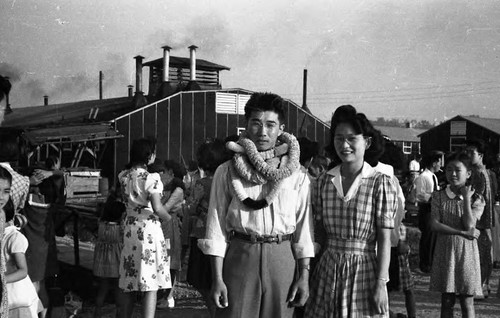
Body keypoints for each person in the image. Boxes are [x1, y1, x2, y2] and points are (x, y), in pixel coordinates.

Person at [198, 92, 314, 318]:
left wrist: (304, 277)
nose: (263, 132)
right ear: (246, 126)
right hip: (241, 256)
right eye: (256, 123)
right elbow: (216, 227)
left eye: (270, 125)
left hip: (282, 257)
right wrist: (218, 279)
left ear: (281, 128)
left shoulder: (296, 174)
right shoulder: (227, 171)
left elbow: (304, 229)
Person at [305, 105, 397, 317]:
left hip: (364, 272)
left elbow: (384, 240)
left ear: (367, 141)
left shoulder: (380, 183)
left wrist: (381, 284)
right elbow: (319, 232)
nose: (344, 145)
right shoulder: (323, 182)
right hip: (327, 271)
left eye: (352, 139)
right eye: (338, 138)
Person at [117, 138, 172, 318]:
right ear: (148, 156)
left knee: (129, 280)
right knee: (151, 283)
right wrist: (168, 217)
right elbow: (157, 207)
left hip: (130, 227)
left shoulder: (124, 176)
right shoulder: (151, 178)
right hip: (148, 229)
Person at [429, 152, 484, 317]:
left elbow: (470, 224)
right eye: (449, 170)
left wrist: (466, 199)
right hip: (445, 252)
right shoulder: (438, 196)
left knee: (467, 301)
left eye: (457, 170)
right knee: (447, 301)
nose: (452, 174)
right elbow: (434, 224)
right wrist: (460, 232)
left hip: (467, 254)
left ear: (468, 173)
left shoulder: (477, 199)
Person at [186, 139, 230, 317]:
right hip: (225, 239)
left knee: (204, 282)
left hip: (203, 237)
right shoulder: (228, 180)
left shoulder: (202, 183)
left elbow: (191, 208)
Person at [1, 166, 41, 317]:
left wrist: (2, 279)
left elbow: (23, 270)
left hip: (14, 297)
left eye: (6, 191)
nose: (2, 197)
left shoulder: (14, 237)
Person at [465, 139, 494, 298]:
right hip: (483, 221)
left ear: (480, 155)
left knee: (482, 255)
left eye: (472, 152)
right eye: (467, 152)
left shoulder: (480, 173)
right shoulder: (482, 172)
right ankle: (484, 285)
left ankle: (482, 286)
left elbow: (477, 198)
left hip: (480, 220)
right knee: (484, 254)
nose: (469, 155)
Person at [155, 159, 186, 309]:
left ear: (171, 173)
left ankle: (168, 296)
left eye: (164, 171)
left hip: (168, 225)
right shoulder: (167, 186)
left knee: (170, 261)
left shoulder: (178, 190)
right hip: (162, 225)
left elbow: (165, 208)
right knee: (161, 259)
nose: (161, 174)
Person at [92, 195, 126, 318]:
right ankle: (119, 313)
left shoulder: (101, 225)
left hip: (102, 264)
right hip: (116, 264)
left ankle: (97, 312)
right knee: (119, 290)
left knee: (103, 288)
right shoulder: (120, 229)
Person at [414, 150, 443, 273]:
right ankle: (424, 264)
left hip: (434, 209)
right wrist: (434, 197)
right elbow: (419, 195)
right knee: (427, 237)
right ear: (434, 162)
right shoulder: (423, 177)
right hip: (426, 210)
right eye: (440, 162)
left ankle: (431, 262)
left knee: (433, 237)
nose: (441, 165)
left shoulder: (434, 176)